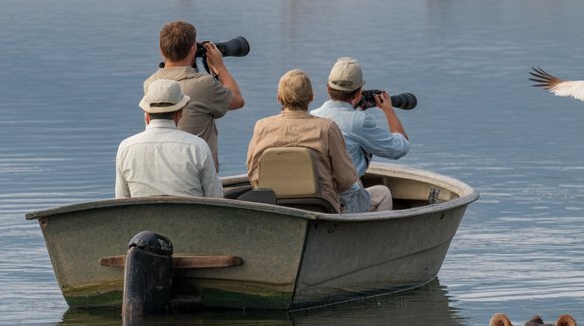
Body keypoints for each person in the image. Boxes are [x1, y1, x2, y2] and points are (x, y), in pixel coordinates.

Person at [246, 70, 362, 214]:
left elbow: (252, 172)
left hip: (274, 209)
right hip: (322, 209)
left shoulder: (261, 127)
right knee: (382, 194)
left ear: (278, 98)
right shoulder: (327, 128)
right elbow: (346, 179)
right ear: (311, 97)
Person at [144, 20, 245, 171]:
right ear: (193, 49)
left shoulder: (150, 84)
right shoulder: (204, 85)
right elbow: (238, 100)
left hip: (162, 170)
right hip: (198, 177)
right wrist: (220, 67)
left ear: (161, 49)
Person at [313, 57, 409, 212]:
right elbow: (400, 148)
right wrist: (388, 110)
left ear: (327, 88)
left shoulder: (312, 116)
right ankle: (376, 235)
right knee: (384, 194)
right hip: (344, 202)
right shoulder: (360, 121)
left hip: (319, 198)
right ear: (358, 92)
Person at [116, 79, 223, 199]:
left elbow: (122, 200)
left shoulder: (125, 148)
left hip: (142, 217)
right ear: (179, 114)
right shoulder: (198, 147)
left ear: (146, 115)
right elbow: (215, 197)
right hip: (190, 217)